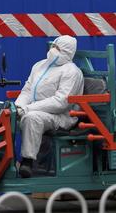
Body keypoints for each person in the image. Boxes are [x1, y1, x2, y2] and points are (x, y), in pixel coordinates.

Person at [15, 35, 84, 178]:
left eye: (57, 48)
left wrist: (29, 108)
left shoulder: (71, 72)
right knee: (9, 116)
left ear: (67, 52)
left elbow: (61, 103)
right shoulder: (40, 65)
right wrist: (19, 105)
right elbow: (27, 90)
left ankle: (27, 162)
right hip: (37, 110)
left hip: (62, 116)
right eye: (53, 46)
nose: (53, 50)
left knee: (32, 118)